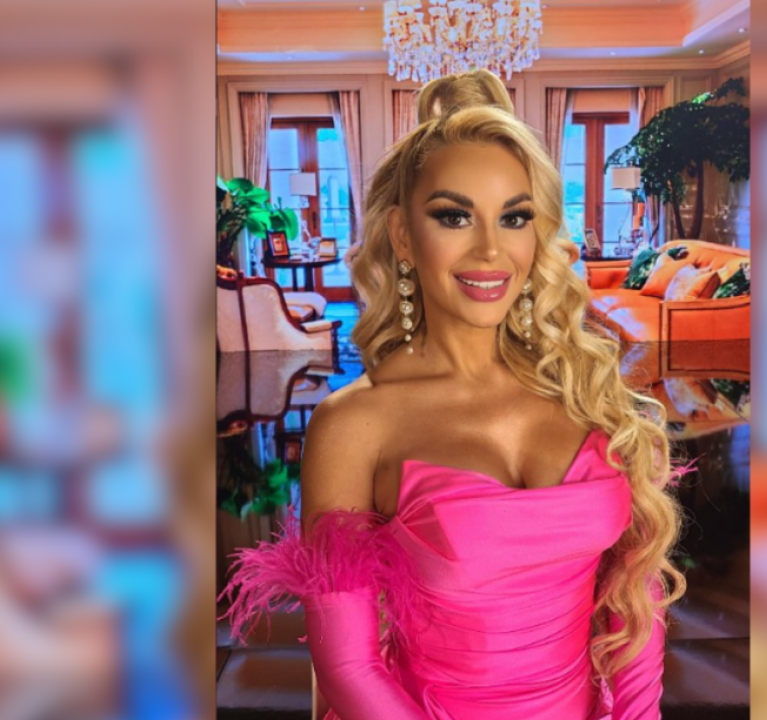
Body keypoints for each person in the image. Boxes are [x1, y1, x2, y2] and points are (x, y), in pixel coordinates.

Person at [221, 69, 689, 719]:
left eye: (514, 217)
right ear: (402, 235)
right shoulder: (355, 424)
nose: (491, 250)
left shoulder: (585, 390)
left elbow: (635, 603)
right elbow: (349, 669)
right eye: (454, 216)